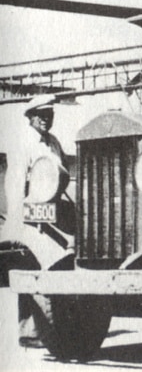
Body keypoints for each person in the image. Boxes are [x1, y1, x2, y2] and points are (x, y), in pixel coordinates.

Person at [2, 94, 70, 347]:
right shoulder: (24, 143)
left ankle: (51, 328)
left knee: (55, 268)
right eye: (41, 115)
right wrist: (17, 220)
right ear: (30, 117)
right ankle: (30, 331)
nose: (45, 119)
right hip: (32, 215)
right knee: (32, 269)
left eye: (49, 115)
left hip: (54, 214)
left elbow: (62, 175)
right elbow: (16, 183)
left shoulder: (53, 142)